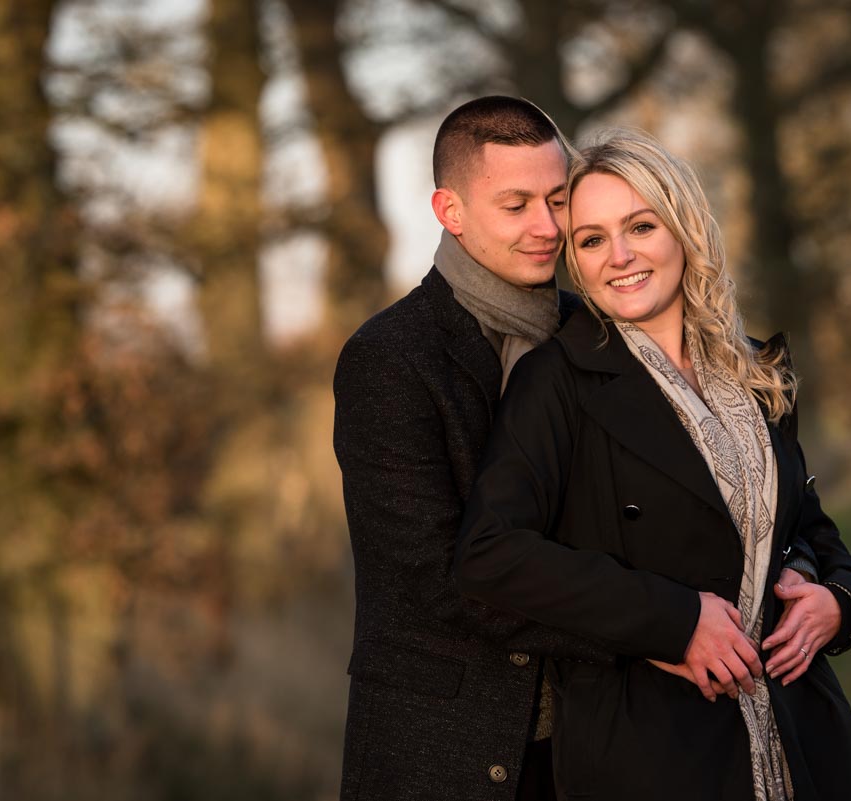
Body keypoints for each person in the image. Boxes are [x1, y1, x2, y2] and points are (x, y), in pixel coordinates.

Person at [335, 98, 793, 801]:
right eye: (516, 205)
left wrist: (822, 582)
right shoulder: (390, 359)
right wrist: (661, 626)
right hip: (447, 745)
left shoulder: (600, 329)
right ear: (450, 211)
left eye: (557, 199)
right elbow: (438, 576)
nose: (547, 228)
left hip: (598, 733)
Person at [455, 128, 851, 801]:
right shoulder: (558, 380)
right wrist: (674, 617)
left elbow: (811, 530)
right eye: (592, 239)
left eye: (641, 225)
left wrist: (839, 599)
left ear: (684, 230)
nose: (619, 256)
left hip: (807, 734)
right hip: (652, 747)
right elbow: (490, 551)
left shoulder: (756, 370)